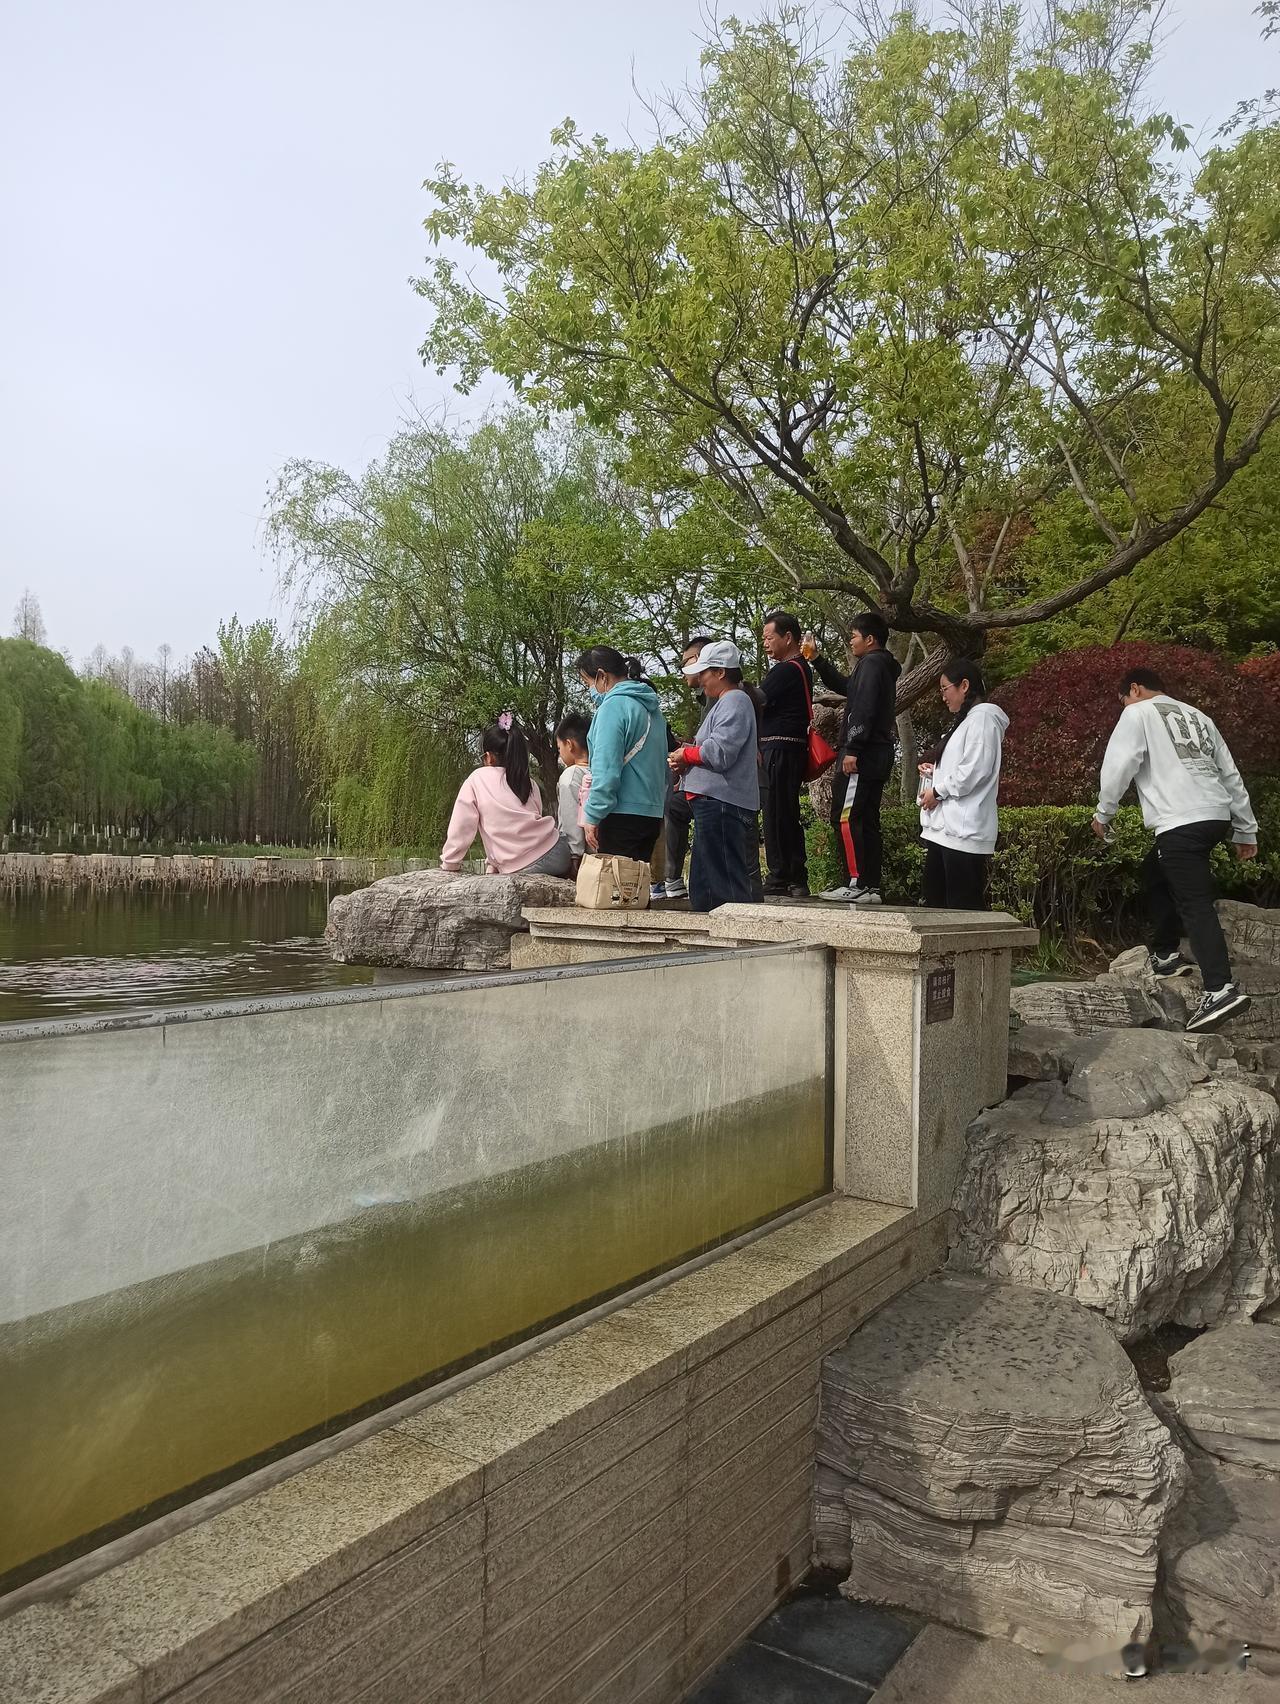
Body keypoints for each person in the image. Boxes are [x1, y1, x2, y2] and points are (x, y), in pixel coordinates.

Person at [1092, 666, 1258, 1033]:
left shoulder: (1136, 712)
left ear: (1134, 689)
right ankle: (1166, 952)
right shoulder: (1199, 716)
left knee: (1194, 901)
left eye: (1124, 699)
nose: (1124, 706)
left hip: (1180, 820)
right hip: (1214, 815)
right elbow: (1230, 774)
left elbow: (1119, 765)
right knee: (1154, 871)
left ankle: (1220, 989)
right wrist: (1245, 828)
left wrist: (1104, 813)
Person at [809, 611, 901, 906]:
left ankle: (855, 881)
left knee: (847, 817)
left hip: (862, 755)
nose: (850, 641)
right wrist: (818, 660)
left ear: (870, 639)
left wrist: (852, 749)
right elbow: (848, 687)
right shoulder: (878, 666)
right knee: (868, 818)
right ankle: (871, 887)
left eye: (854, 636)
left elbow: (863, 708)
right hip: (879, 754)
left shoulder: (871, 664)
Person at [668, 642, 762, 910]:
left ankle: (739, 939)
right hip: (713, 800)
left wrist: (686, 756)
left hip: (721, 801)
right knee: (705, 880)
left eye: (705, 673)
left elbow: (720, 752)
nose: (701, 680)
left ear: (720, 672)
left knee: (724, 881)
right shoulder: (727, 702)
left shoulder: (734, 700)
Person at [918, 659, 1007, 910]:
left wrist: (938, 790)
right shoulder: (967, 722)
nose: (943, 697)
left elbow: (975, 770)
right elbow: (963, 767)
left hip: (964, 831)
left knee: (961, 908)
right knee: (936, 903)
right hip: (948, 832)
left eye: (945, 689)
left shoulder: (983, 719)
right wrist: (936, 773)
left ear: (964, 685)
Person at [440, 716, 572, 877]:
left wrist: (450, 862)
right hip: (558, 851)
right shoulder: (529, 782)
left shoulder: (477, 778)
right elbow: (526, 821)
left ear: (488, 757)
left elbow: (462, 826)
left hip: (524, 864)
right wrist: (493, 864)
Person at [575, 646, 669, 860]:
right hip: (651, 813)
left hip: (620, 815)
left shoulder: (612, 708)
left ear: (601, 676)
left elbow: (606, 770)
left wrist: (593, 815)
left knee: (616, 890)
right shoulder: (653, 710)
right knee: (637, 887)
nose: (590, 690)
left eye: (588, 683)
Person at [759, 609, 813, 898]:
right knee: (785, 811)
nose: (765, 644)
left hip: (780, 747)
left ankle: (782, 875)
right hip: (792, 748)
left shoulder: (786, 670)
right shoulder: (802, 668)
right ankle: (793, 874)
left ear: (788, 637)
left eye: (769, 637)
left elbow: (759, 698)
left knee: (776, 811)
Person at [663, 635, 715, 899]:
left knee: (673, 804)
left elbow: (718, 750)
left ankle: (672, 879)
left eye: (686, 663)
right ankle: (672, 879)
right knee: (673, 802)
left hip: (719, 788)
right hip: (707, 781)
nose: (683, 671)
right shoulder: (709, 700)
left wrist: (686, 756)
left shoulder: (728, 698)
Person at [554, 711, 591, 872]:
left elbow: (571, 819)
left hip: (583, 857)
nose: (560, 753)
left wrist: (574, 854)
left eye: (559, 747)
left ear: (569, 744)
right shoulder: (603, 771)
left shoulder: (570, 776)